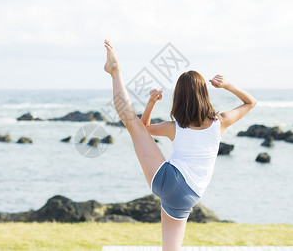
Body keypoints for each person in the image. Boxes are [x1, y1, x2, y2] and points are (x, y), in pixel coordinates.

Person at [104, 39, 256, 250]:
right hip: (189, 196)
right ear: (204, 94)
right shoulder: (220, 122)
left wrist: (150, 104)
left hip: (169, 179)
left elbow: (142, 130)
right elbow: (251, 102)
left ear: (179, 98)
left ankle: (115, 71)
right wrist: (227, 85)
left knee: (131, 123)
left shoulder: (174, 127)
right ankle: (114, 70)